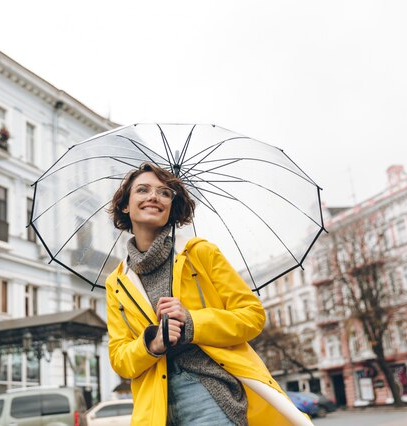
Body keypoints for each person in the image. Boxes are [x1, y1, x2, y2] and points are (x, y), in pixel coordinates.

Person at [105, 162, 312, 426]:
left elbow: (252, 316)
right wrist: (152, 344)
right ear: (126, 205)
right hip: (153, 409)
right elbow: (119, 358)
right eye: (143, 190)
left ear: (171, 209)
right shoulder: (117, 282)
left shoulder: (199, 254)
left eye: (165, 193)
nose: (154, 197)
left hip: (208, 393)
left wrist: (191, 321)